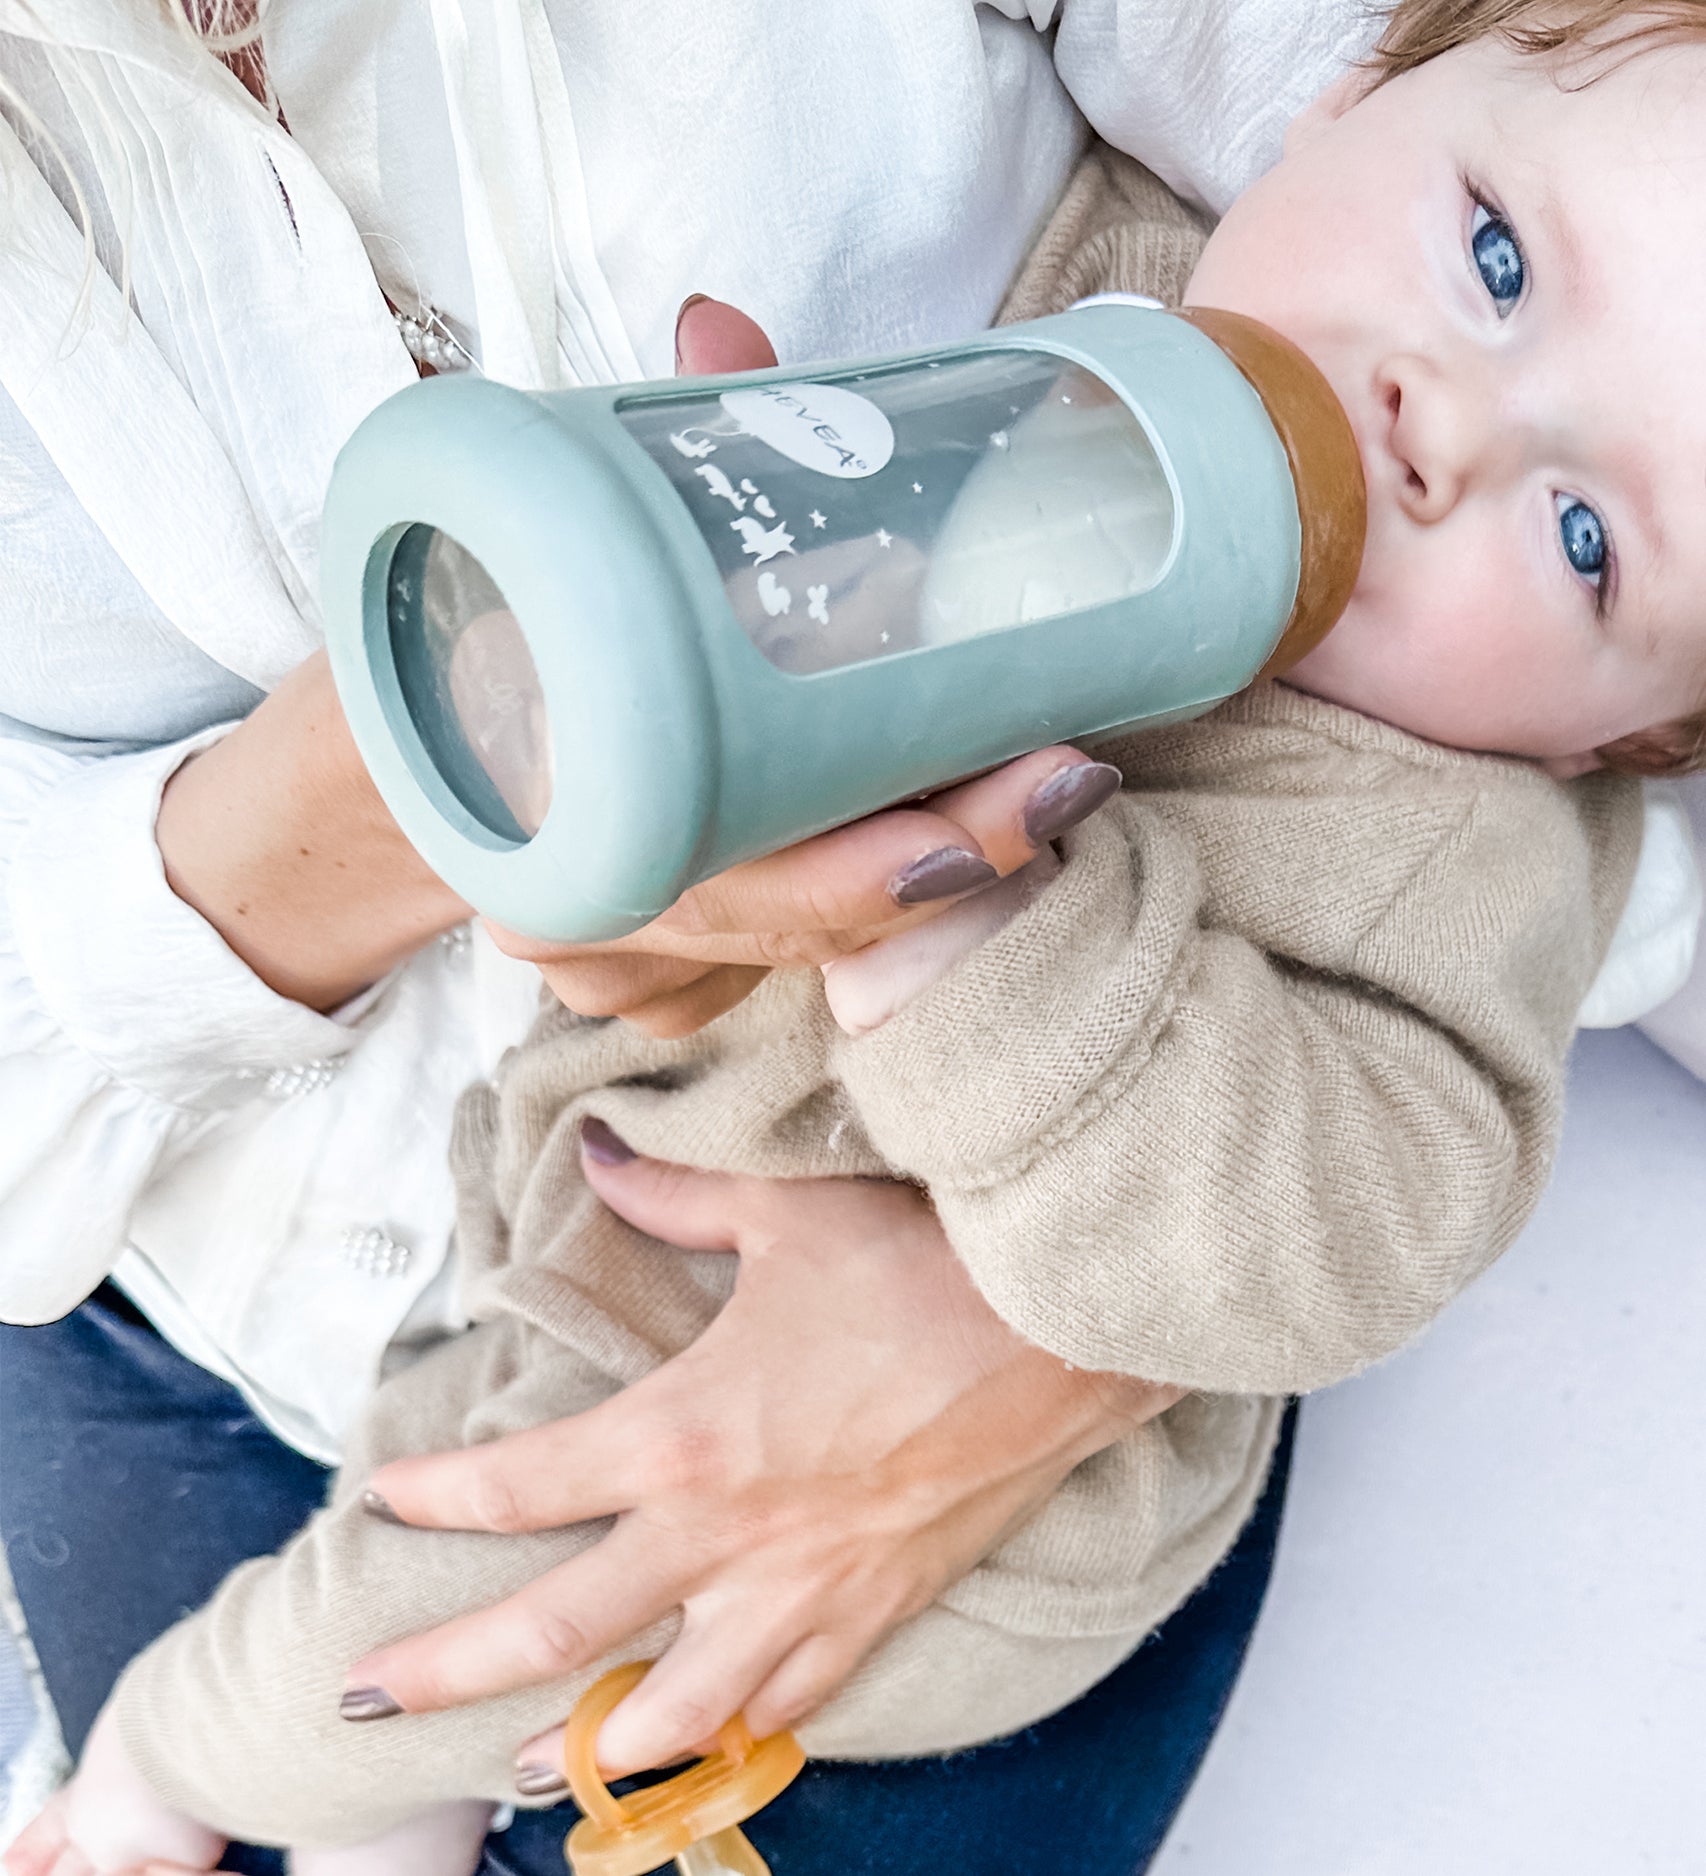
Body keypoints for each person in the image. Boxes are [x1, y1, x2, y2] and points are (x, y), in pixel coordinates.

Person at [17, 0, 1706, 1869]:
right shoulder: (1137, 280)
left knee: (432, 1622)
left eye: (1584, 543)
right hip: (533, 1169)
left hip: (961, 1520)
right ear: (1362, 98)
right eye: (1491, 258)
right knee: (457, 1440)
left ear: (1609, 741)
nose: (1437, 423)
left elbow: (1327, 1246)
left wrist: (973, 932)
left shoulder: (1455, 844)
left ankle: (153, 1787)